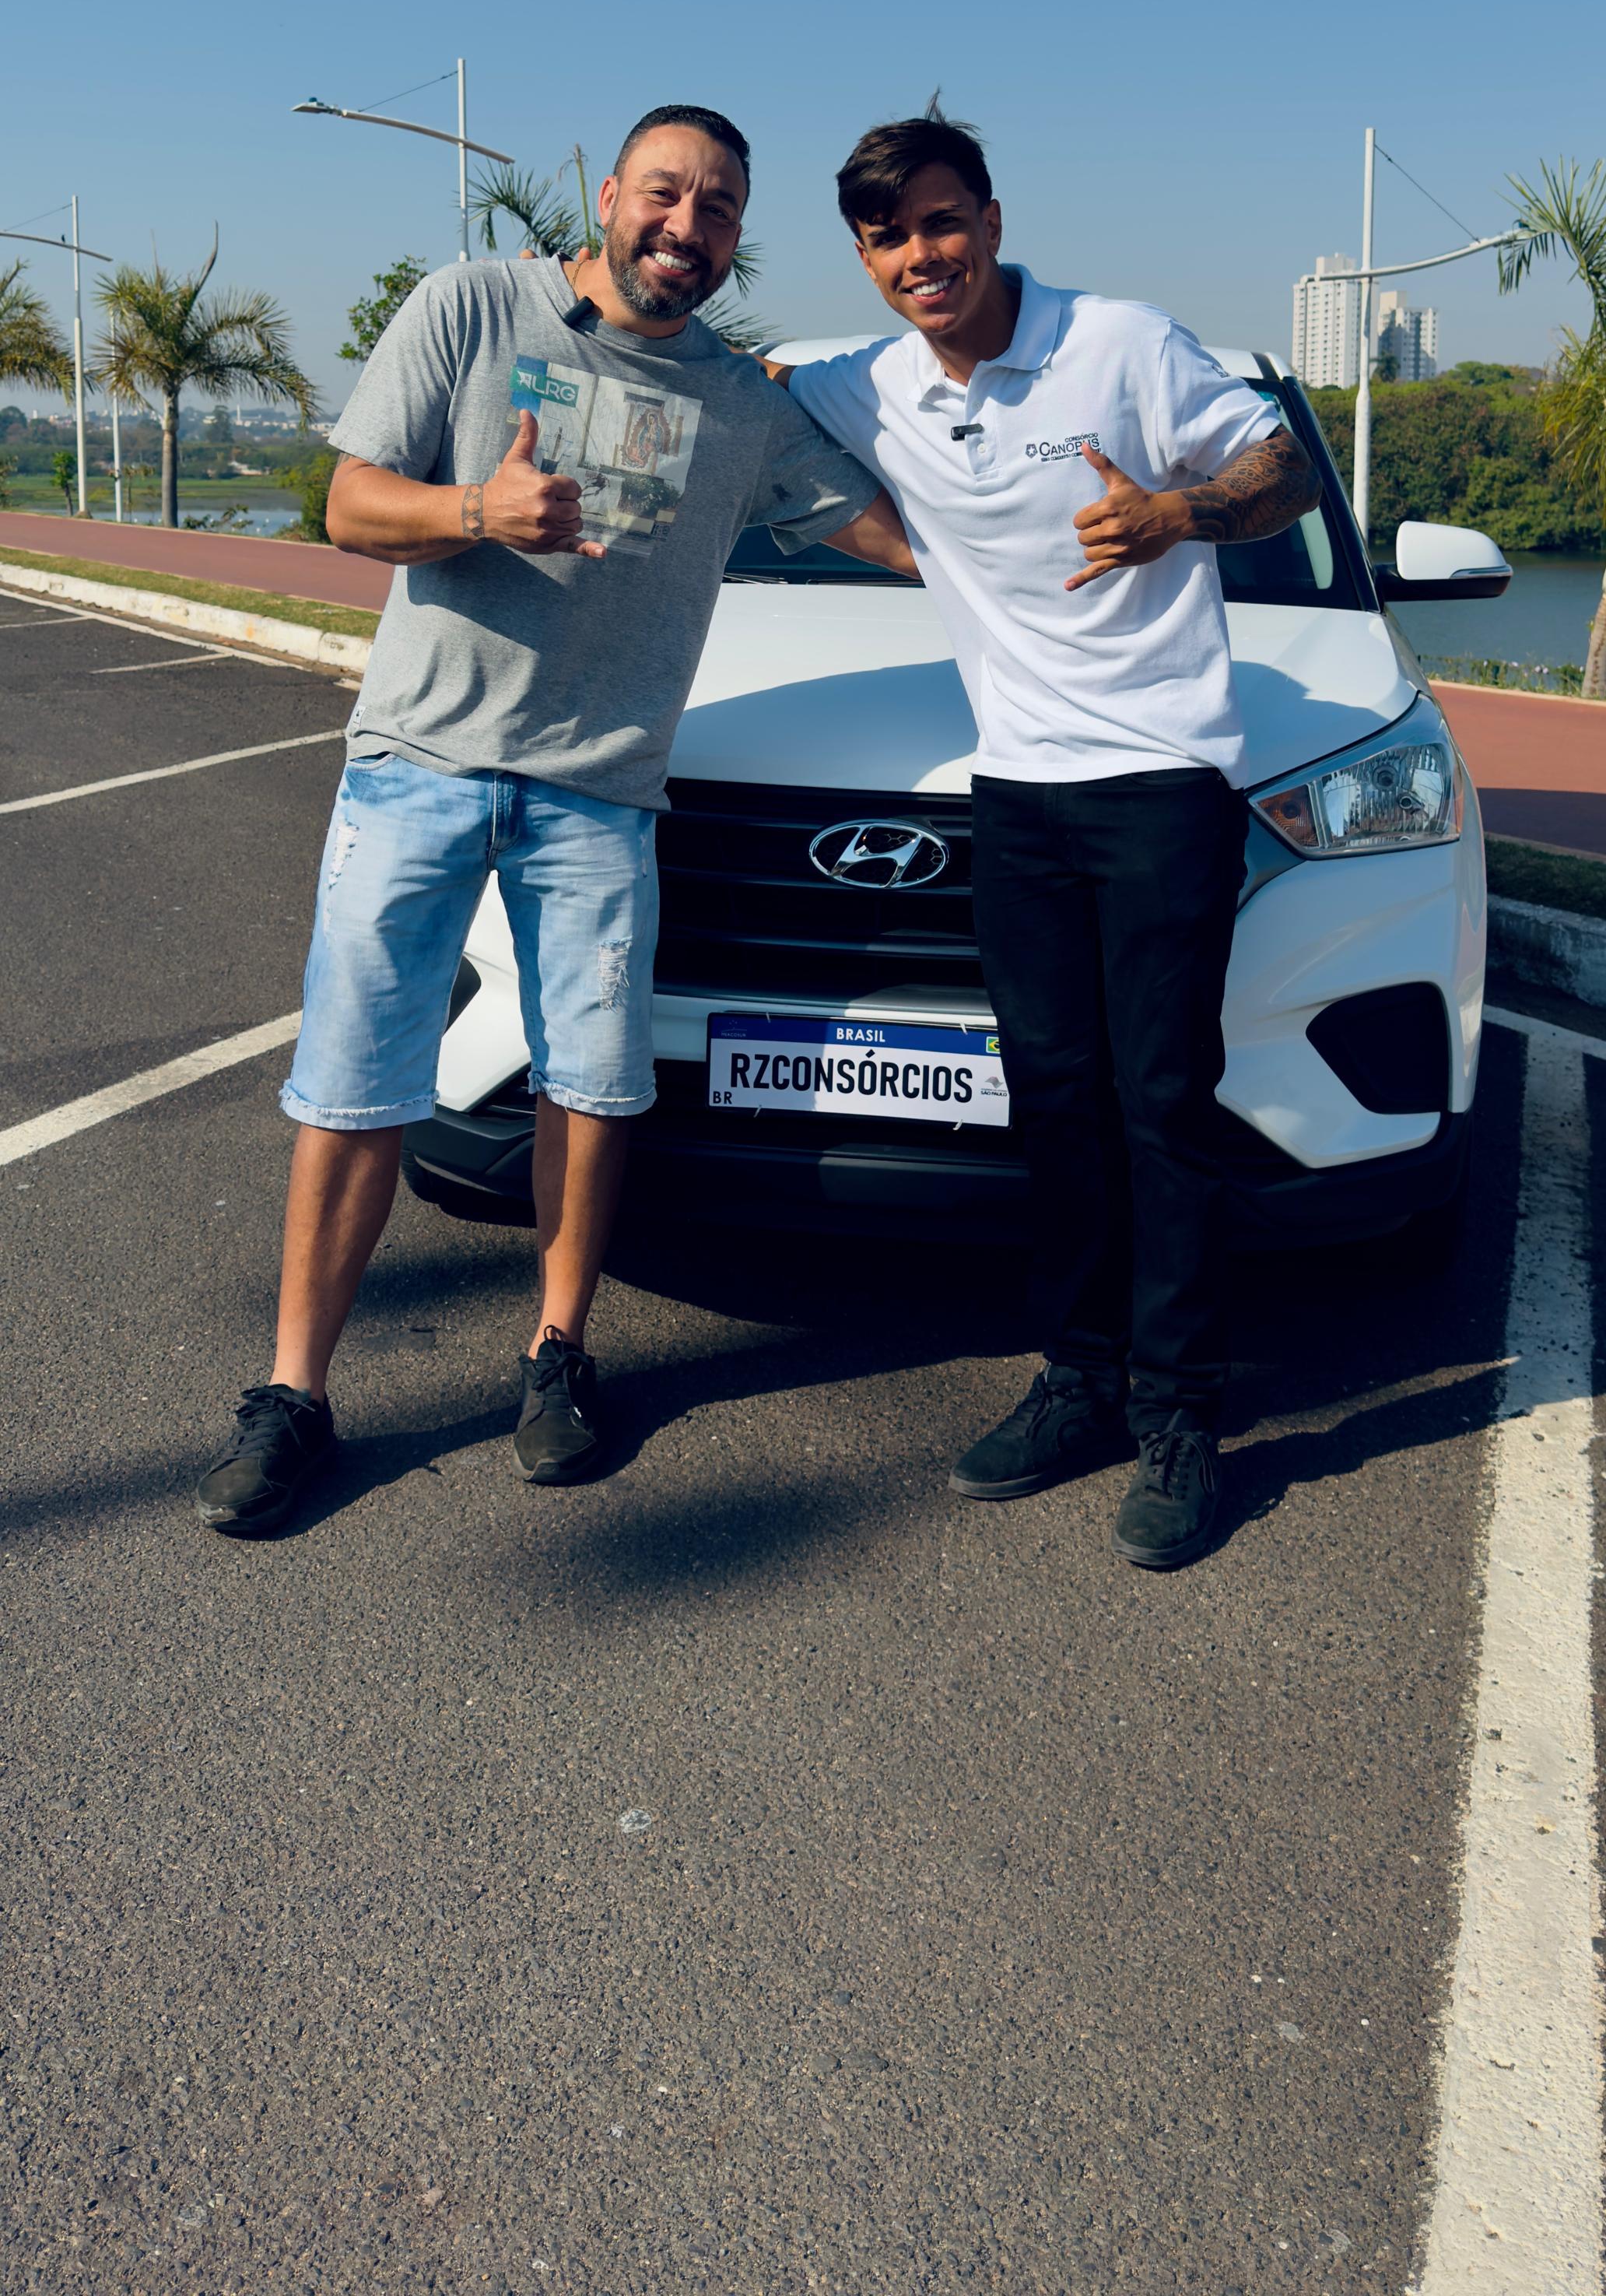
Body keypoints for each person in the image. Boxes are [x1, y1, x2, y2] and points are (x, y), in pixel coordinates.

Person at [196, 106, 901, 1534]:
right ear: (608, 193)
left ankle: (559, 1353)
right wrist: (480, 509)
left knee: (591, 1081)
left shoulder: (744, 404)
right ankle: (293, 1394)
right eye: (666, 193)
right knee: (355, 1082)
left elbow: (888, 531)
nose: (687, 226)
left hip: (601, 791)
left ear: (735, 236)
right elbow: (348, 506)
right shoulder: (471, 306)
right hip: (421, 759)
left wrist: (1073, 551)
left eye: (718, 208)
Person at [772, 107, 1317, 1573]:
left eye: (941, 222)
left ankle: (1181, 1413)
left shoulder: (1120, 342)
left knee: (1162, 1100)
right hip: (1015, 795)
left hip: (1161, 783)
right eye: (888, 238)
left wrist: (1179, 513)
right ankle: (1079, 1379)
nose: (920, 256)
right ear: (866, 258)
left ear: (993, 220)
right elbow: (725, 382)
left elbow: (1289, 468)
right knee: (1054, 1097)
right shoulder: (869, 383)